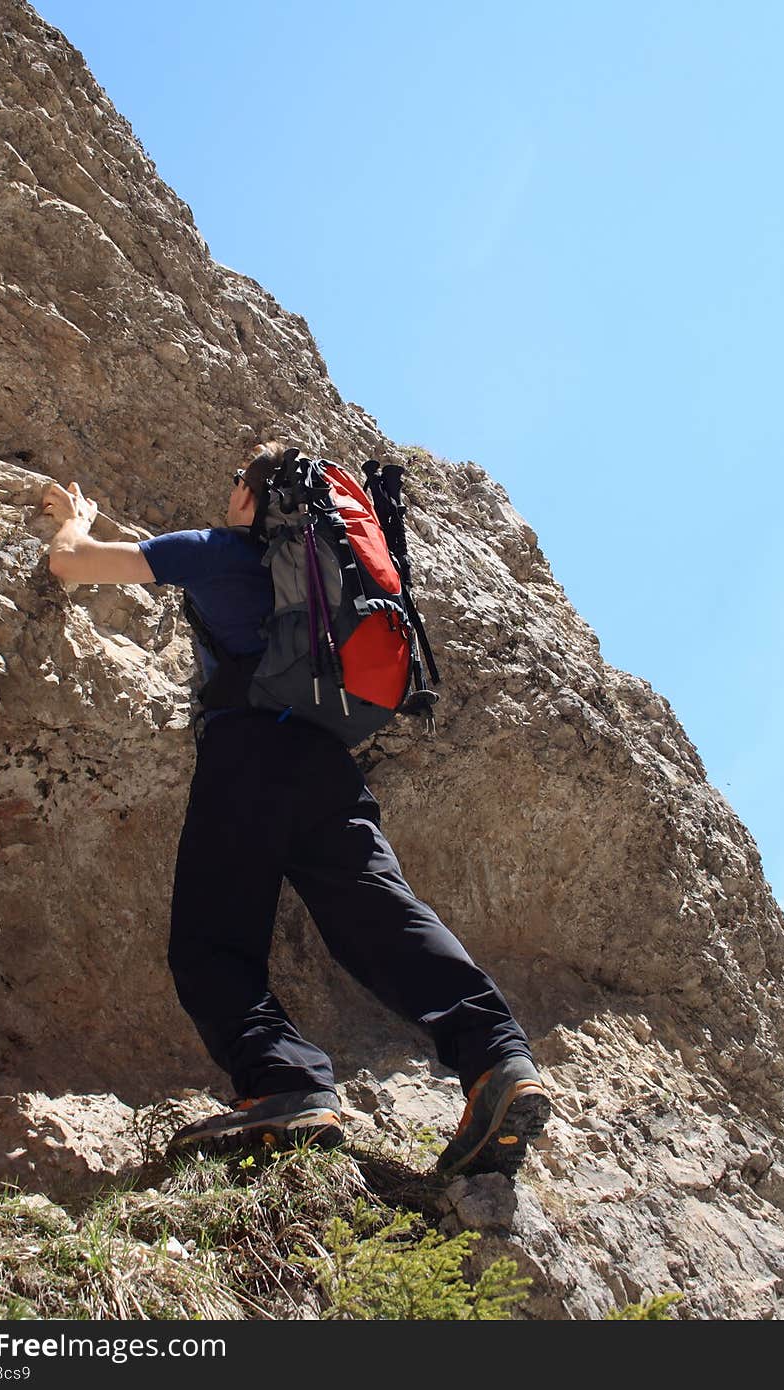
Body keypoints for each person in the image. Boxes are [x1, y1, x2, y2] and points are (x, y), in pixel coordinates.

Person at [42, 442, 550, 1180]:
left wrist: (74, 520)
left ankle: (285, 1085)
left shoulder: (216, 551)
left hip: (246, 756)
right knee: (382, 918)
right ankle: (498, 1058)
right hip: (326, 763)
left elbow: (73, 564)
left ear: (250, 499)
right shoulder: (324, 585)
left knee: (211, 946)